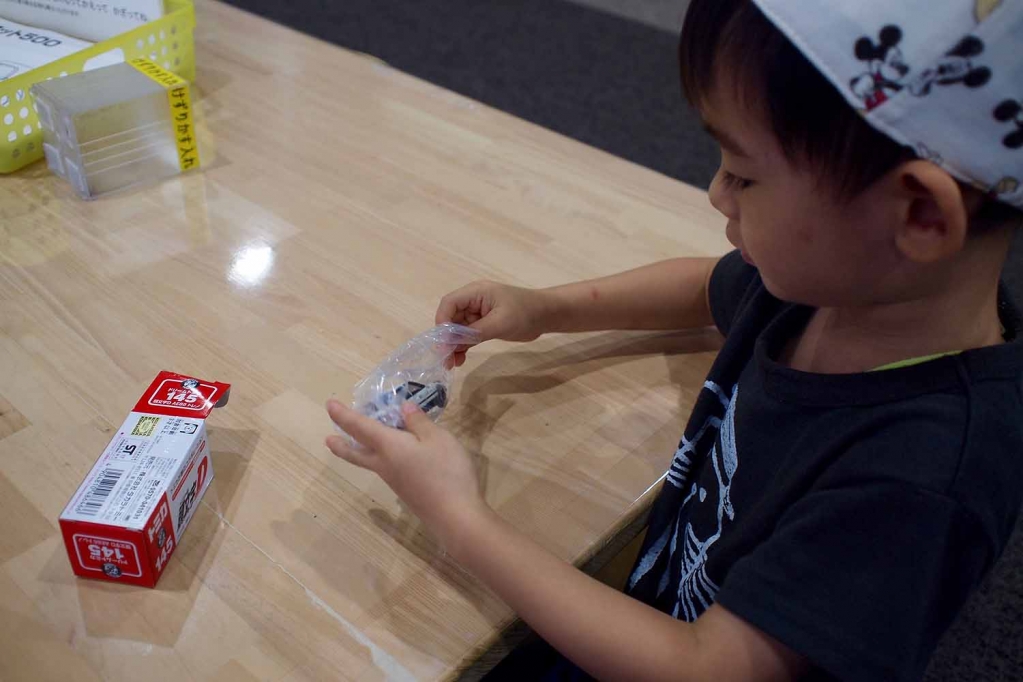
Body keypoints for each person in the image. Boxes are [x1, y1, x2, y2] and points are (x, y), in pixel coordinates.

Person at [325, 0, 1023, 679]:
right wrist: (544, 308)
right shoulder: (844, 289)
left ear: (921, 216)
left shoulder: (921, 481)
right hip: (655, 604)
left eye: (743, 174)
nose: (717, 194)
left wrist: (460, 518)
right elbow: (705, 289)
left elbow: (707, 666)